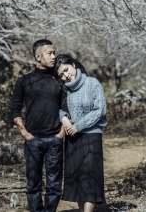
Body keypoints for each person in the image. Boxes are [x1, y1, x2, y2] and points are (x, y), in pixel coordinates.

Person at [10, 39, 67, 212]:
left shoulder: (58, 81)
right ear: (38, 56)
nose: (53, 56)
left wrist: (61, 133)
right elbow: (15, 108)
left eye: (54, 53)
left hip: (55, 139)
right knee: (33, 183)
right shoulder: (25, 81)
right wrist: (24, 132)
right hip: (33, 140)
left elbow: (66, 108)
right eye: (50, 53)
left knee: (54, 184)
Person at [55, 54, 107, 212]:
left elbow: (100, 110)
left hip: (91, 135)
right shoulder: (64, 90)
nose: (66, 75)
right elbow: (56, 108)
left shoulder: (92, 83)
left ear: (74, 65)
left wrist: (79, 125)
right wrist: (63, 118)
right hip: (72, 139)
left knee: (89, 177)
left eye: (66, 70)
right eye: (61, 75)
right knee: (76, 177)